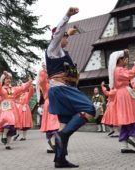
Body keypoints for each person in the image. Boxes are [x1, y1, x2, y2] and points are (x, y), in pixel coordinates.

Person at [46, 7, 96, 168]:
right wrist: (67, 16)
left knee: (65, 123)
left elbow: (63, 35)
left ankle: (60, 160)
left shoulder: (61, 51)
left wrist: (70, 32)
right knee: (90, 109)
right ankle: (61, 135)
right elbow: (59, 33)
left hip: (59, 90)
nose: (66, 37)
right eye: (65, 36)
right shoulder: (53, 49)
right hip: (61, 89)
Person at [108, 49, 135, 153]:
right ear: (120, 60)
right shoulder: (119, 70)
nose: (125, 60)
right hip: (124, 95)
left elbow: (130, 72)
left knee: (126, 120)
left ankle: (125, 145)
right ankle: (130, 138)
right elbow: (132, 73)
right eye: (124, 58)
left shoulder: (117, 69)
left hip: (122, 94)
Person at [0, 72, 32, 150]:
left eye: (9, 78)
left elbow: (22, 88)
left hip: (13, 108)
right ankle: (4, 135)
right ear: (3, 80)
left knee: (12, 126)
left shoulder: (14, 89)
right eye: (7, 78)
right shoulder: (2, 89)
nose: (8, 80)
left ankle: (7, 144)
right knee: (10, 121)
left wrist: (29, 82)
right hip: (6, 108)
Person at [36, 62, 60, 153]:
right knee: (53, 124)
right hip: (50, 103)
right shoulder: (45, 84)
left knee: (53, 125)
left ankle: (50, 147)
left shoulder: (56, 82)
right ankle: (52, 144)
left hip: (56, 104)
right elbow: (41, 81)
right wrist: (43, 72)